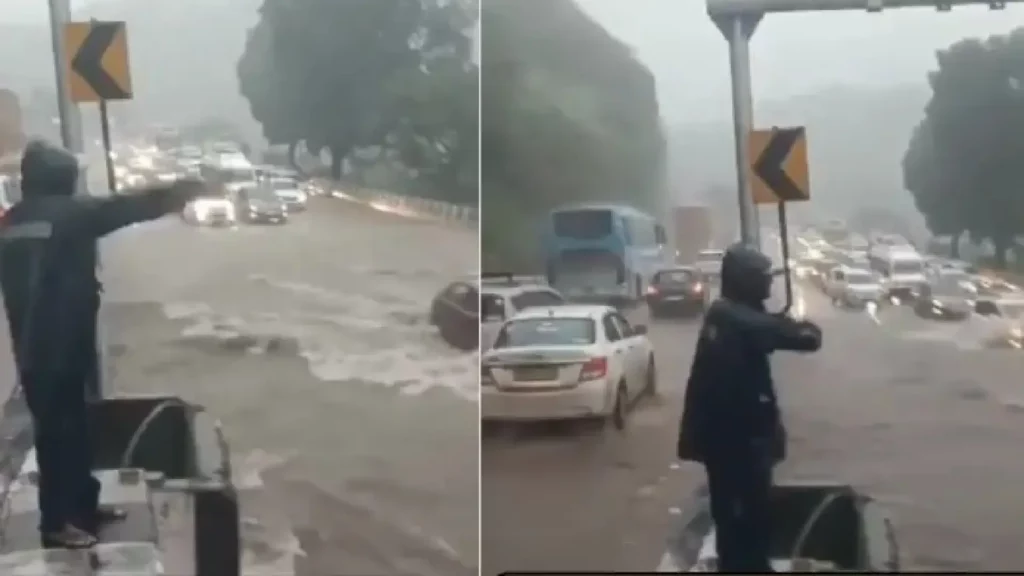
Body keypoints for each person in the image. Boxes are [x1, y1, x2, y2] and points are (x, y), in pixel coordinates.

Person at [0, 140, 203, 548]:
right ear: (64, 178)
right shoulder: (70, 214)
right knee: (61, 436)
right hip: (62, 344)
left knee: (70, 430)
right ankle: (57, 524)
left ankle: (83, 509)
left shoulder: (12, 222)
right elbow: (125, 208)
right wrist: (182, 191)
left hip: (34, 347)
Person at [677, 242, 822, 572]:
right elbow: (807, 338)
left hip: (732, 441)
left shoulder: (726, 314)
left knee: (742, 522)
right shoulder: (734, 319)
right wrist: (802, 323)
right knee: (745, 520)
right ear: (746, 280)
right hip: (737, 445)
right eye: (763, 277)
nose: (769, 284)